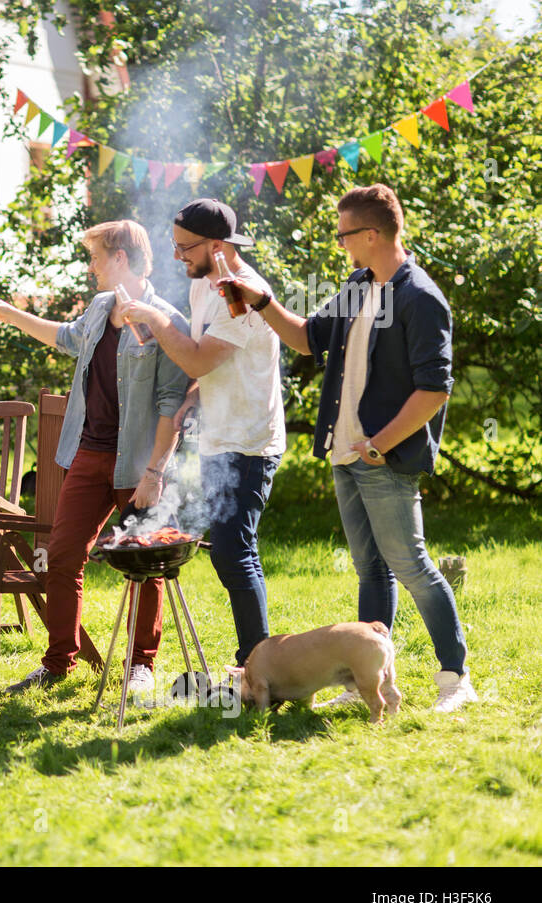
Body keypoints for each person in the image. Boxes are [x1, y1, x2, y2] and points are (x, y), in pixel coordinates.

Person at [219, 184, 475, 712]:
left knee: (412, 565)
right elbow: (308, 338)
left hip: (383, 457)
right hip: (346, 454)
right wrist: (260, 300)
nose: (340, 244)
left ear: (372, 233)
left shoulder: (419, 298)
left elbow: (434, 390)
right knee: (372, 570)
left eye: (344, 235)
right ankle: (368, 685)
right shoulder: (360, 286)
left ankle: (455, 678)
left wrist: (379, 446)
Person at [0, 220, 191, 696]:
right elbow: (65, 337)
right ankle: (57, 664)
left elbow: (171, 405)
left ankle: (141, 665)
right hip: (88, 455)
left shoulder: (167, 322)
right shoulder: (99, 308)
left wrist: (155, 473)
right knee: (63, 556)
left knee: (144, 562)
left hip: (138, 463)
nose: (90, 267)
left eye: (96, 257)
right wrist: (9, 313)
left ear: (119, 258)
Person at [122, 199, 285, 668]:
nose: (177, 257)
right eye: (173, 245)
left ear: (217, 245)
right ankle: (254, 662)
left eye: (184, 247)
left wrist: (154, 318)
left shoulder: (243, 294)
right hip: (219, 434)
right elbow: (205, 360)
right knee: (229, 553)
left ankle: (257, 665)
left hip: (249, 439)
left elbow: (193, 356)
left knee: (235, 552)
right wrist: (194, 392)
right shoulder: (203, 283)